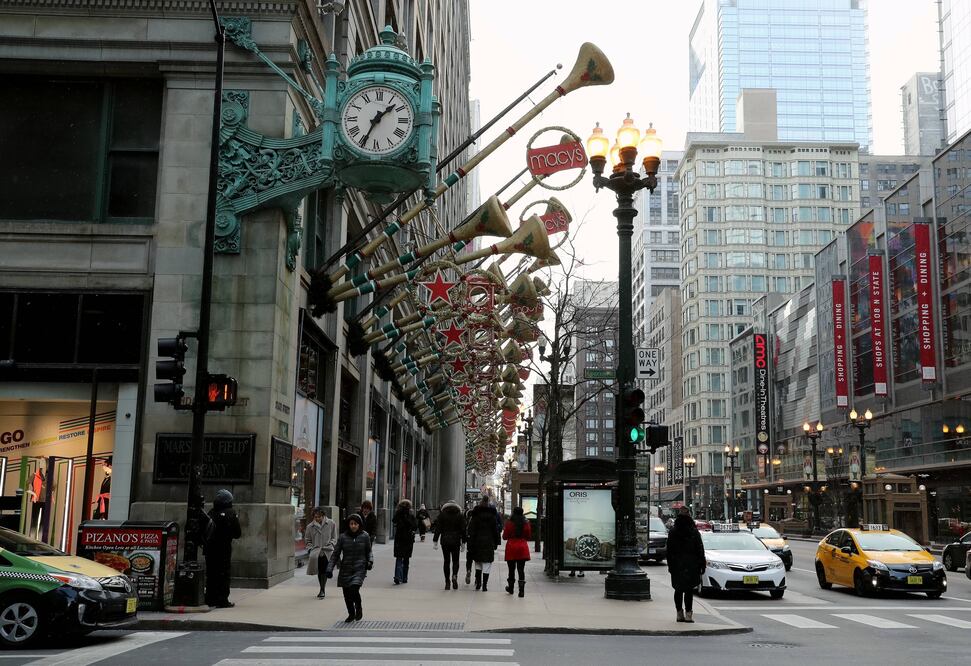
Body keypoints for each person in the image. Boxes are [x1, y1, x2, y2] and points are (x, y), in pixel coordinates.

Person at [327, 513, 373, 622]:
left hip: (360, 567)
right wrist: (329, 568)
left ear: (359, 524)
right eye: (351, 524)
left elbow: (369, 551)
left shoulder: (365, 536)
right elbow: (335, 554)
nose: (353, 526)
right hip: (346, 568)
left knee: (354, 588)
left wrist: (370, 561)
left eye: (355, 524)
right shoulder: (343, 537)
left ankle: (358, 607)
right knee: (347, 594)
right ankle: (351, 614)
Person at [666, 507, 706, 623]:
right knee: (689, 590)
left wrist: (670, 565)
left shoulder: (673, 531)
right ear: (689, 515)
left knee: (678, 589)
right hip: (691, 564)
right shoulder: (693, 531)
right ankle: (689, 615)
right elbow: (700, 549)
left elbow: (669, 551)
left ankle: (679, 614)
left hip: (677, 564)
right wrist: (702, 564)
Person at [205, 489, 242, 608]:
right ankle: (222, 599)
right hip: (224, 547)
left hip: (210, 548)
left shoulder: (211, 512)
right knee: (223, 573)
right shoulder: (231, 513)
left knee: (211, 573)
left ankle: (211, 598)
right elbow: (237, 533)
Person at [467, 496, 501, 591]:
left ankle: (478, 583)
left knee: (478, 563)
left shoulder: (476, 516)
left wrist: (470, 543)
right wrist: (496, 543)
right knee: (487, 564)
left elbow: (471, 530)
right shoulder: (492, 517)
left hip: (477, 542)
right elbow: (496, 531)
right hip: (489, 542)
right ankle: (485, 585)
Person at [305, 507, 337, 599]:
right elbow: (307, 540)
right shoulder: (310, 527)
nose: (317, 518)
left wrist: (331, 544)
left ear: (323, 516)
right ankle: (322, 589)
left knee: (325, 570)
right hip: (316, 552)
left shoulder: (331, 523)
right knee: (320, 571)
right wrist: (311, 549)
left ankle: (322, 589)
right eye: (315, 517)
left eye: (319, 517)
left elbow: (334, 537)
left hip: (327, 550)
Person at [432, 500, 465, 590]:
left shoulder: (442, 515)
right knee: (455, 561)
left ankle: (447, 582)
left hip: (445, 540)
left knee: (446, 561)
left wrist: (435, 540)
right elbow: (463, 529)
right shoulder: (460, 515)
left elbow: (438, 528)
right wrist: (463, 542)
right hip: (456, 540)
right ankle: (454, 575)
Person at [502, 506, 531, 598]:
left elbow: (505, 536)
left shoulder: (509, 523)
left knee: (511, 569)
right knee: (521, 569)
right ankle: (521, 591)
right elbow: (528, 536)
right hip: (522, 547)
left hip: (511, 547)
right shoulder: (526, 523)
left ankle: (511, 588)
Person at [392, 499, 418, 585]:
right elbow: (415, 526)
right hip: (408, 539)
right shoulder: (410, 515)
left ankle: (398, 576)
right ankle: (404, 577)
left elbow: (394, 521)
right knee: (406, 559)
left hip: (400, 539)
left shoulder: (399, 514)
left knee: (399, 558)